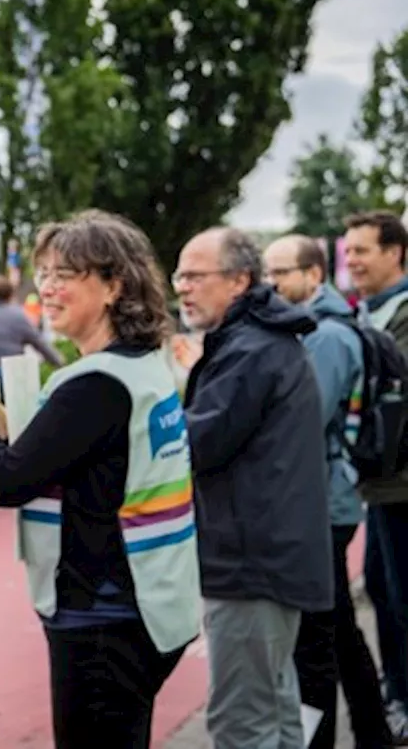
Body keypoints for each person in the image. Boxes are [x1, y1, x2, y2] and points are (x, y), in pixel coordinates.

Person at [0, 210, 199, 749]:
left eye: (64, 276)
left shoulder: (94, 386)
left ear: (112, 286)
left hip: (100, 615)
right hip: (147, 604)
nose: (46, 290)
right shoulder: (142, 366)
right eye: (43, 274)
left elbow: (7, 481)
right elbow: (59, 458)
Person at [175, 227, 333, 748]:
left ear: (239, 280)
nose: (182, 287)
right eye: (180, 275)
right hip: (272, 558)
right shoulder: (263, 341)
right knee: (277, 708)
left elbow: (196, 445)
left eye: (196, 275)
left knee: (243, 721)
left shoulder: (248, 351)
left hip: (250, 565)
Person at [264, 234, 391, 749]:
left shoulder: (327, 337)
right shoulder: (320, 328)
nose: (269, 285)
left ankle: (348, 734)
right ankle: (372, 731)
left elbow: (304, 422)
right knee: (334, 627)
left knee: (320, 634)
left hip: (324, 501)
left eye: (280, 274)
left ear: (314, 275)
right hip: (326, 497)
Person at [344, 210, 408, 741]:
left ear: (395, 252)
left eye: (362, 250)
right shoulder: (369, 312)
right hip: (380, 482)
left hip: (402, 482)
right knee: (384, 592)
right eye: (349, 251)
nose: (352, 260)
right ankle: (397, 690)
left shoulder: (400, 314)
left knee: (401, 594)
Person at [0, 277, 64, 371]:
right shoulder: (15, 315)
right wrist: (60, 363)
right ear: (10, 295)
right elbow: (39, 343)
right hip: (8, 372)